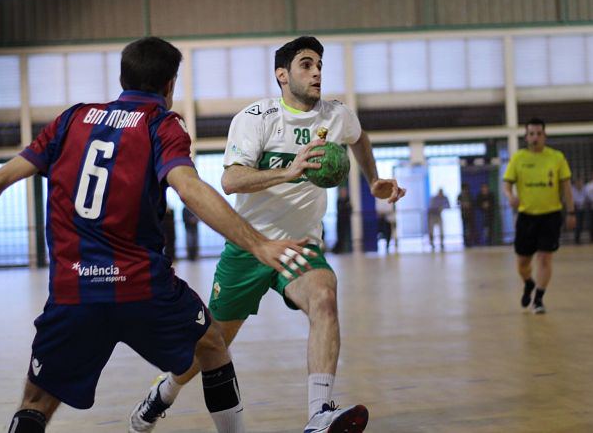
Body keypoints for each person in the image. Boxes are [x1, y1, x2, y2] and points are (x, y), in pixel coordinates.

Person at [0, 37, 314, 433]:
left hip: (74, 293)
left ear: (121, 79)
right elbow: (190, 189)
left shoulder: (70, 120)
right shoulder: (161, 125)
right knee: (212, 346)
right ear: (169, 84)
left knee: (36, 399)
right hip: (142, 289)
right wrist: (258, 242)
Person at [131, 36, 405, 433]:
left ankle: (319, 414)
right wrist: (289, 171)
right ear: (282, 75)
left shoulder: (336, 116)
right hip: (250, 246)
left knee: (324, 297)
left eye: (319, 66)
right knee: (211, 346)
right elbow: (230, 180)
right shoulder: (256, 118)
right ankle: (164, 392)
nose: (316, 73)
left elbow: (359, 136)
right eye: (306, 65)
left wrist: (374, 178)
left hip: (300, 245)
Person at [502, 118, 575, 314]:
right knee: (523, 263)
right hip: (526, 217)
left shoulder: (556, 157)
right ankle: (528, 283)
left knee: (544, 258)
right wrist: (510, 196)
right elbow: (507, 184)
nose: (535, 137)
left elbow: (566, 186)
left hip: (550, 216)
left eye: (539, 134)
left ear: (544, 135)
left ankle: (539, 299)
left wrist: (571, 211)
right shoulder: (518, 158)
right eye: (531, 134)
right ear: (526, 137)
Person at [332, 186, 352, 253]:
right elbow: (340, 209)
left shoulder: (348, 199)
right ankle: (339, 249)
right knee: (340, 235)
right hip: (340, 221)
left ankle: (346, 249)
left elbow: (349, 209)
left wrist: (345, 208)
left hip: (346, 221)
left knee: (346, 235)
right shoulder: (339, 200)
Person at [571, 178, 587, 244]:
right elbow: (573, 199)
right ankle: (576, 239)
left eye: (581, 182)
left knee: (581, 224)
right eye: (579, 182)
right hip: (576, 208)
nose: (580, 184)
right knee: (577, 224)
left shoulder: (584, 189)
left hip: (582, 208)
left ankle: (578, 238)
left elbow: (585, 197)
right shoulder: (572, 189)